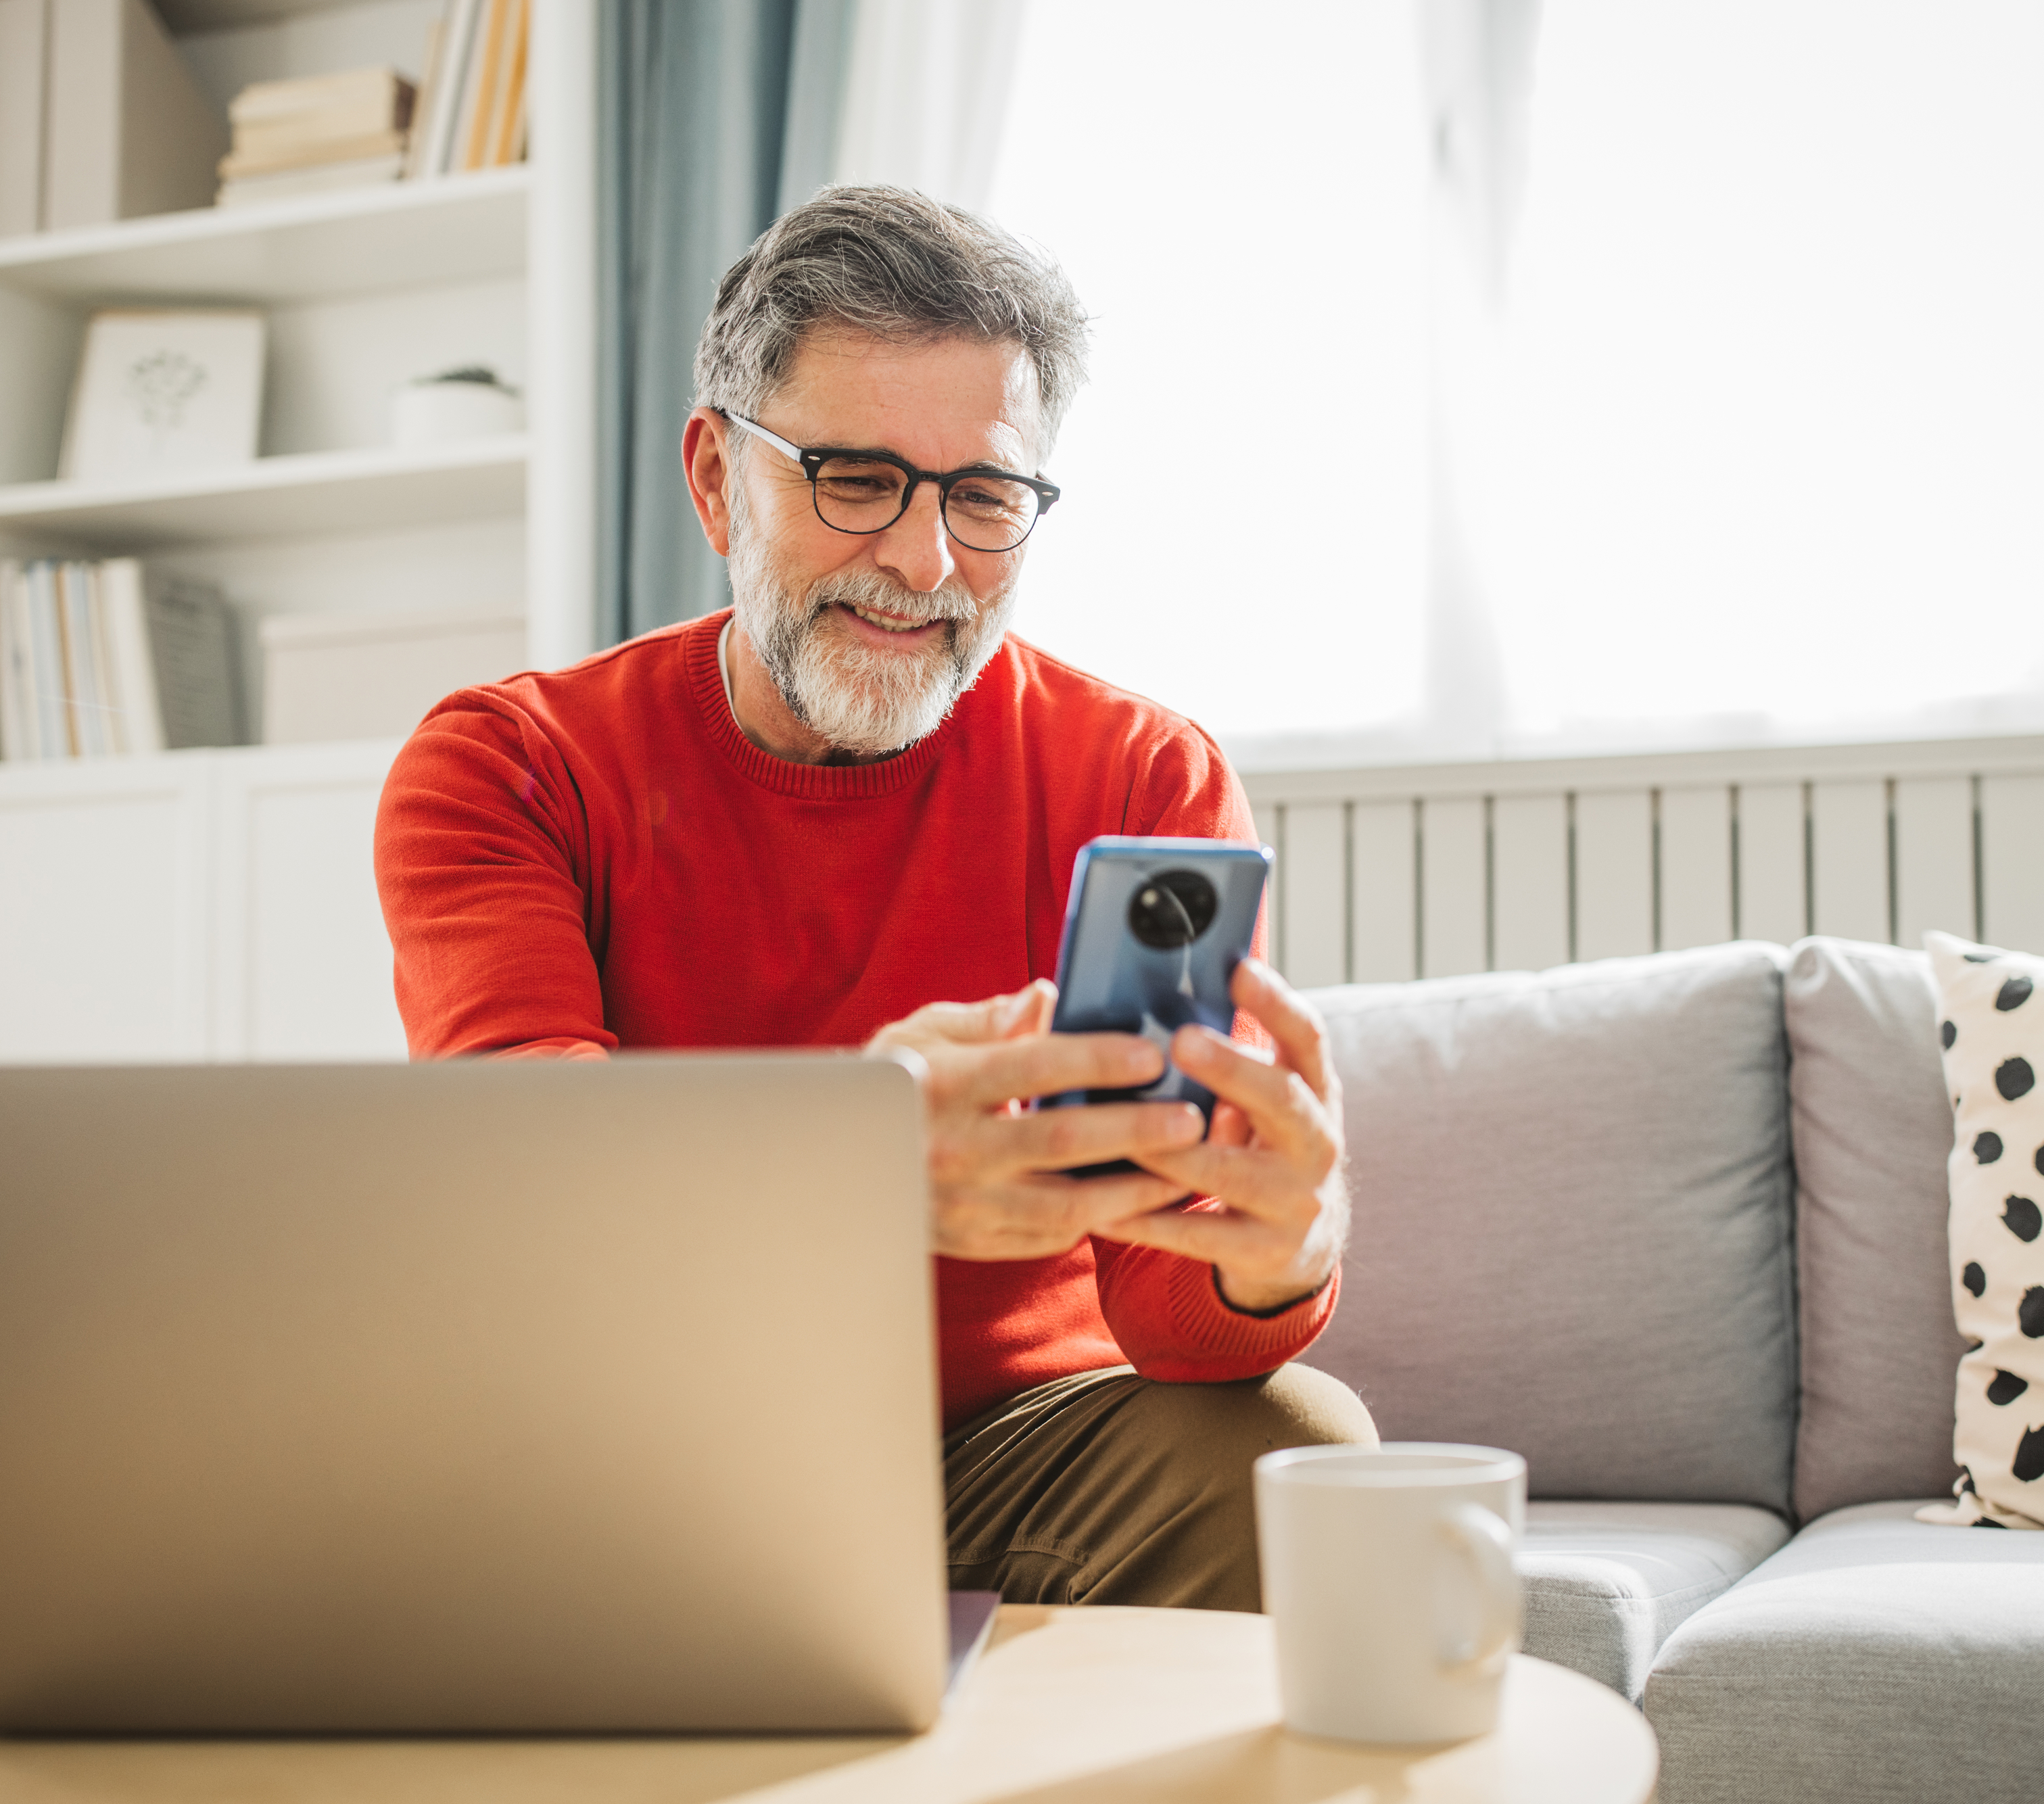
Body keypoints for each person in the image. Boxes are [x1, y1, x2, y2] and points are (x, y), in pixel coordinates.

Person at [374, 186, 1375, 1611]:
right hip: (648, 1439)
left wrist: (1272, 1260)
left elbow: (1172, 1322)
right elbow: (526, 1200)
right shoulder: (508, 764)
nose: (924, 563)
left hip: (1013, 1451)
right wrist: (847, 1161)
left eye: (983, 496)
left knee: (1303, 1449)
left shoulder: (1142, 770)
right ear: (718, 477)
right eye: (853, 478)